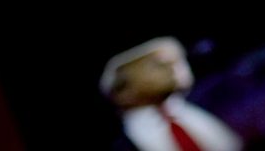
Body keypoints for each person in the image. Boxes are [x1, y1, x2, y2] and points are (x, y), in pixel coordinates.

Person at [101, 38, 243, 151]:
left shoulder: (198, 105)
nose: (172, 69)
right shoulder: (125, 141)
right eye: (157, 64)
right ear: (124, 88)